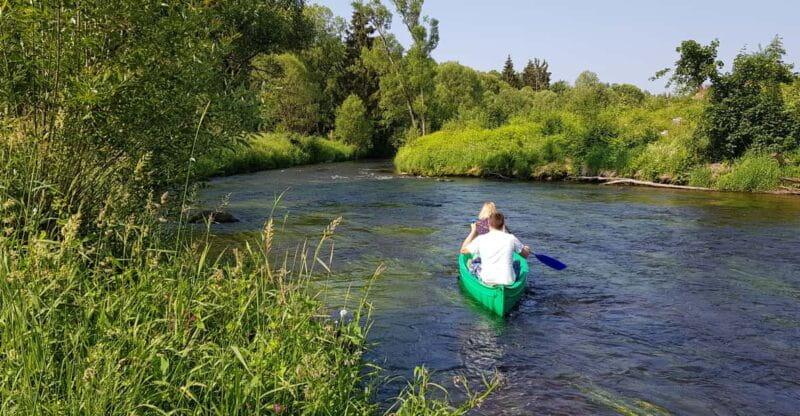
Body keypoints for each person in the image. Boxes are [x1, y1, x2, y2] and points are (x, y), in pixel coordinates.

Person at [460, 212, 530, 286]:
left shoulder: (481, 239)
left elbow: (463, 250)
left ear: (488, 223)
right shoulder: (511, 238)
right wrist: (527, 249)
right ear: (503, 224)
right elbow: (525, 255)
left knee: (474, 263)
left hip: (487, 279)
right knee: (517, 262)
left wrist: (473, 231)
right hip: (508, 280)